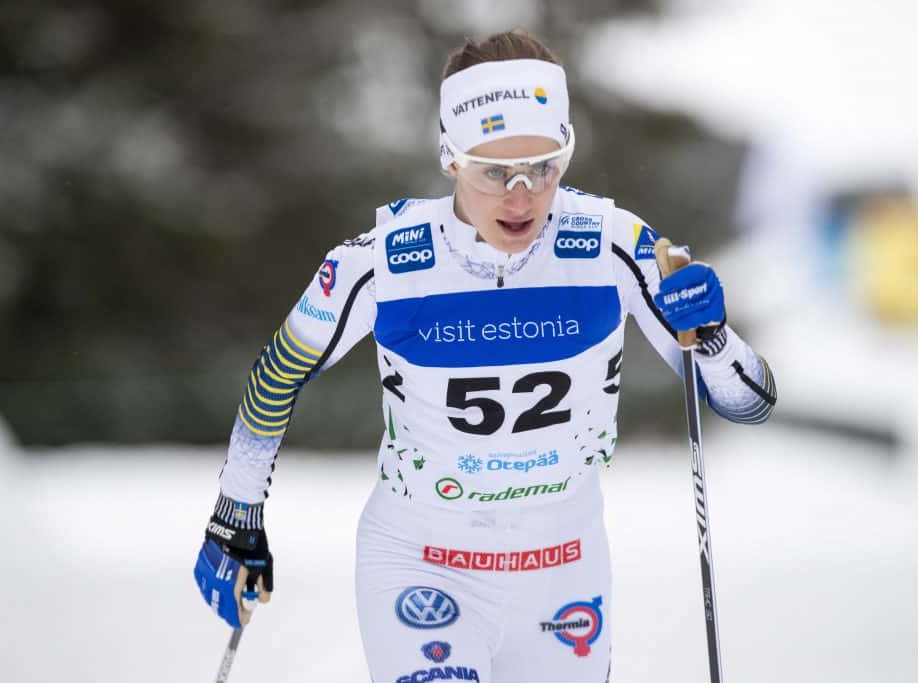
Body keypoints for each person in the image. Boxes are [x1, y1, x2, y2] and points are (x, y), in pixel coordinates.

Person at [193, 30, 777, 682]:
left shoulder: (613, 245)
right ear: (451, 157)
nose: (521, 197)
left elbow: (749, 404)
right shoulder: (384, 260)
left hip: (564, 571)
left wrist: (714, 339)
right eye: (495, 172)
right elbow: (281, 371)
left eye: (544, 167)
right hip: (422, 562)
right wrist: (236, 513)